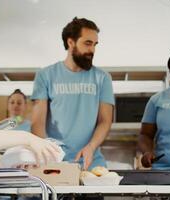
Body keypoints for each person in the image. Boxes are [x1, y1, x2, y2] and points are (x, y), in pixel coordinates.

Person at [31, 17, 114, 171]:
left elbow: (105, 120)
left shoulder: (103, 78)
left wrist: (91, 146)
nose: (92, 50)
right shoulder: (45, 75)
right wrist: (47, 157)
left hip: (91, 163)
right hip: (55, 163)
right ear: (70, 43)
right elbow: (37, 122)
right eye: (87, 43)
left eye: (95, 44)